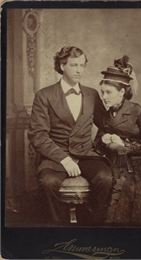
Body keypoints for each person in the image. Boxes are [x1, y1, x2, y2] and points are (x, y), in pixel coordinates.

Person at [28, 46, 113, 226]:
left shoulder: (92, 94)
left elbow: (105, 125)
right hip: (56, 157)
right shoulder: (44, 95)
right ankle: (58, 231)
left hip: (86, 154)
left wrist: (98, 145)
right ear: (62, 65)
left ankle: (90, 227)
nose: (79, 70)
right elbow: (38, 135)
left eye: (82, 65)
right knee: (48, 182)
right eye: (74, 65)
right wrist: (64, 159)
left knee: (105, 178)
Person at [95, 56, 141, 226]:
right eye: (102, 92)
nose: (104, 97)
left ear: (122, 92)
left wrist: (125, 145)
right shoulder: (106, 114)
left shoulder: (138, 112)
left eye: (108, 92)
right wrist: (103, 139)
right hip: (116, 161)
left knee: (130, 195)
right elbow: (97, 142)